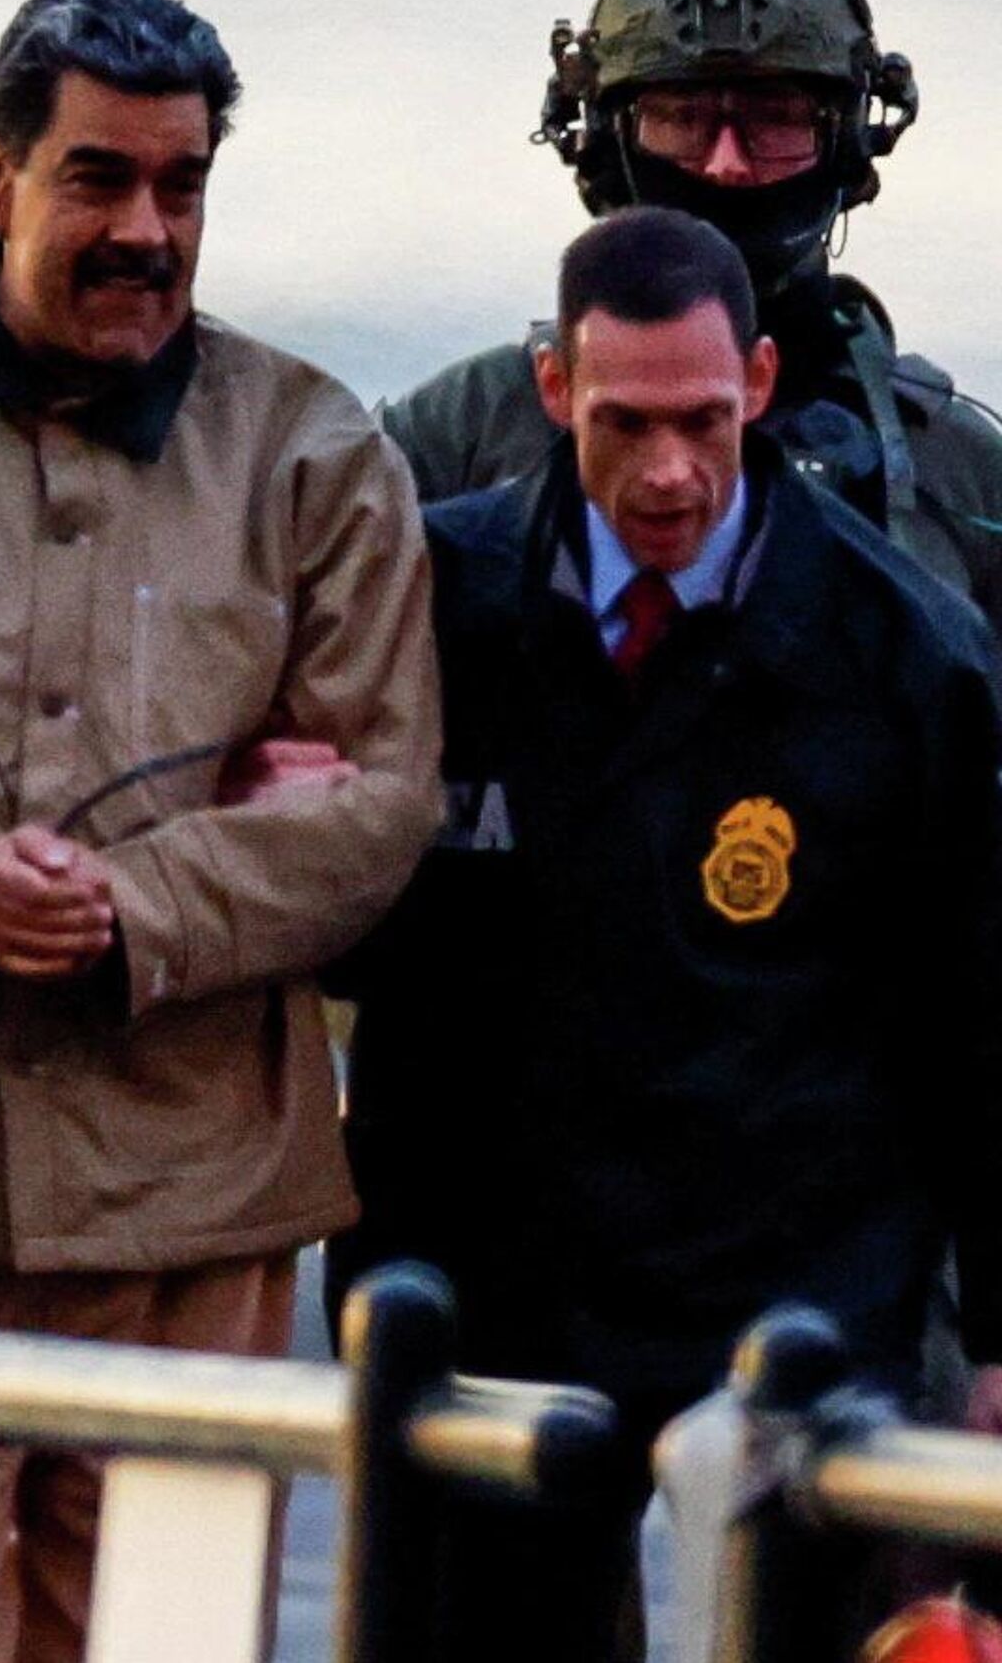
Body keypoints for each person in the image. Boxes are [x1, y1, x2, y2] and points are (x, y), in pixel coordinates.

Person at [0, 0, 442, 1663]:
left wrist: (137, 906)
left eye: (182, 185)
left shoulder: (313, 450)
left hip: (192, 1222)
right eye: (98, 179)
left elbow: (382, 796)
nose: (145, 229)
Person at [331, 207, 1002, 1656]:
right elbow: (344, 928)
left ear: (758, 382)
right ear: (554, 389)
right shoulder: (429, 608)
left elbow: (975, 1011)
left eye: (704, 419)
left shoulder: (908, 654)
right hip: (499, 1288)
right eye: (624, 424)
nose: (671, 472)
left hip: (792, 1294)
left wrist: (999, 1339)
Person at [383, 0, 1002, 634]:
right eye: (682, 118)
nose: (727, 164)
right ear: (608, 140)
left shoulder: (959, 472)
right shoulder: (461, 434)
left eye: (777, 118)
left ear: (846, 140)